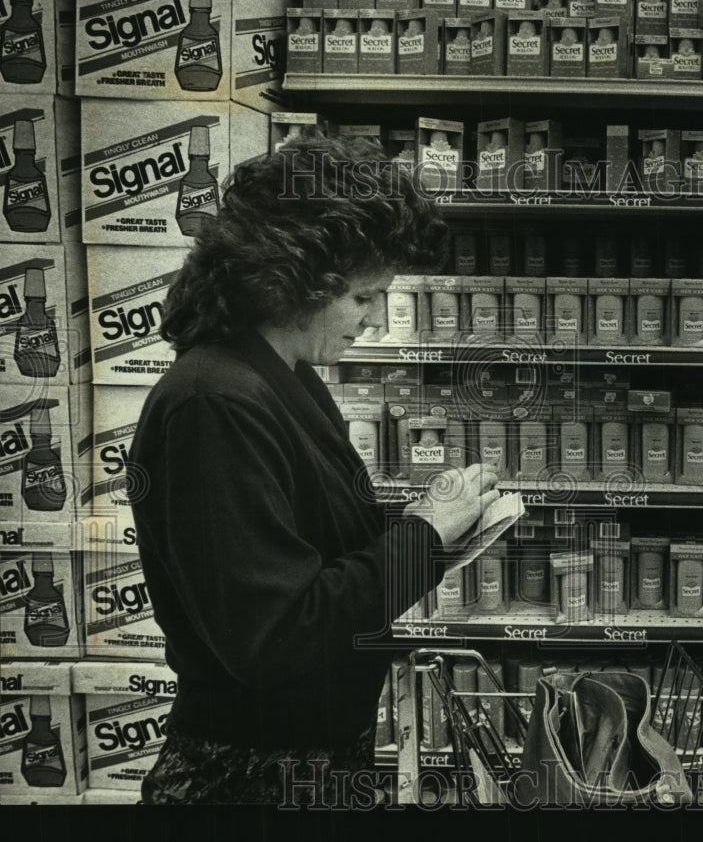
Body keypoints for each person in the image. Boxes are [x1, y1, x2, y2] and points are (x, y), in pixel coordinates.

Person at [128, 135, 500, 805]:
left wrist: (440, 529)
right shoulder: (214, 402)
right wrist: (422, 537)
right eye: (361, 298)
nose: (372, 318)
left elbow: (318, 551)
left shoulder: (286, 379)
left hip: (312, 765)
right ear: (295, 279)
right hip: (247, 783)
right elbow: (275, 637)